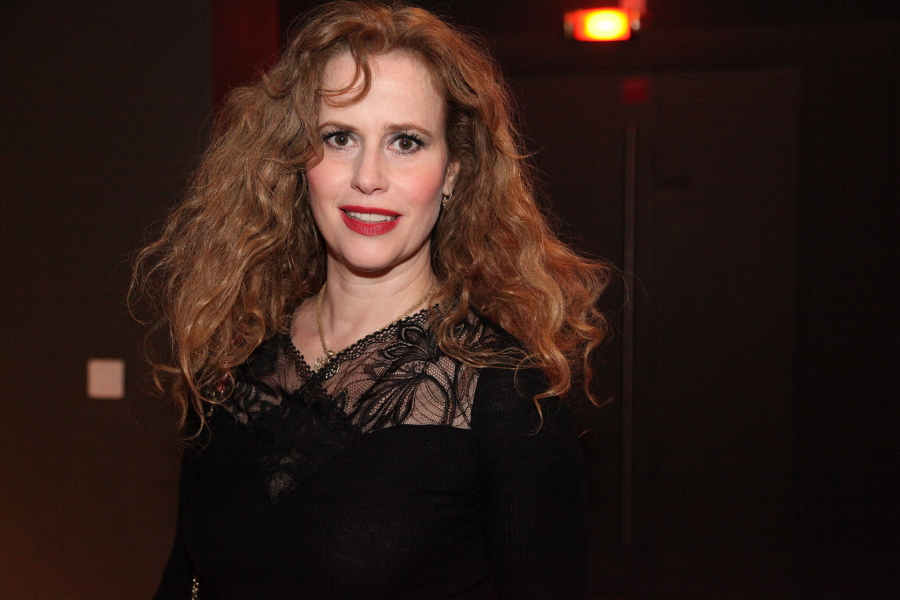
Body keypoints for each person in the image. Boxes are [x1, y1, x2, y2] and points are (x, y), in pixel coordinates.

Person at [134, 1, 610, 598]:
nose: (368, 176)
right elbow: (183, 577)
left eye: (405, 142)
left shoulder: (508, 397)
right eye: (339, 138)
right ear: (298, 159)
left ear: (453, 173)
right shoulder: (233, 359)